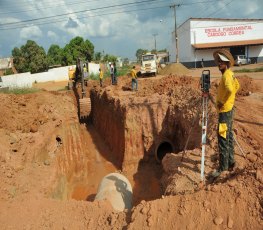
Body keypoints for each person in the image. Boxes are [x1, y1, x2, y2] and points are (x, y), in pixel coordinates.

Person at [211, 49, 240, 178]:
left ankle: (222, 168)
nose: (219, 64)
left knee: (222, 138)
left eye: (221, 62)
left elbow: (229, 88)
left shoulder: (226, 75)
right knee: (228, 137)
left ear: (227, 63)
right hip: (229, 109)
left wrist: (223, 101)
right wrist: (231, 100)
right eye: (218, 62)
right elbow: (237, 86)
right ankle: (230, 161)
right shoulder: (231, 74)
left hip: (224, 111)